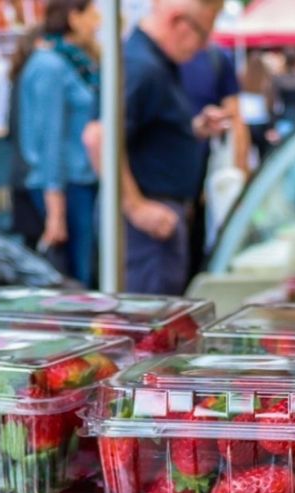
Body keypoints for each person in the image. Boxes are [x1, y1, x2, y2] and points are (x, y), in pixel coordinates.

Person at [83, 0, 226, 295]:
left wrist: (193, 129)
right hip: (146, 227)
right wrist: (137, 208)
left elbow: (144, 133)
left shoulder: (155, 63)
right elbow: (99, 137)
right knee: (147, 326)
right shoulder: (142, 65)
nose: (201, 47)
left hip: (156, 219)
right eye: (202, 33)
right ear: (178, 21)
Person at [16, 0, 101, 287]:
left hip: (79, 183)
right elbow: (48, 138)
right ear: (74, 18)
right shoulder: (50, 66)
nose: (99, 21)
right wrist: (55, 210)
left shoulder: (75, 62)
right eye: (93, 13)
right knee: (75, 283)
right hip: (64, 188)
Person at [180, 44, 247, 279]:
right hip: (170, 187)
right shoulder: (155, 60)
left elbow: (235, 120)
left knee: (200, 258)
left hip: (205, 178)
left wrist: (240, 177)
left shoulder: (216, 59)